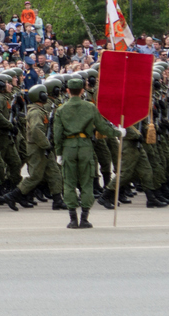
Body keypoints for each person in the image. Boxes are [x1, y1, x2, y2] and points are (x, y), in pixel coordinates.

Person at [51, 76, 119, 229]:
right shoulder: (90, 107)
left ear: (68, 91)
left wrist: (59, 153)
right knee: (87, 183)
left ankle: (73, 218)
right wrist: (118, 132)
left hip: (68, 147)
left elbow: (57, 134)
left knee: (69, 183)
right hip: (85, 146)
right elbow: (102, 128)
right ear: (82, 90)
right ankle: (85, 218)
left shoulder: (61, 109)